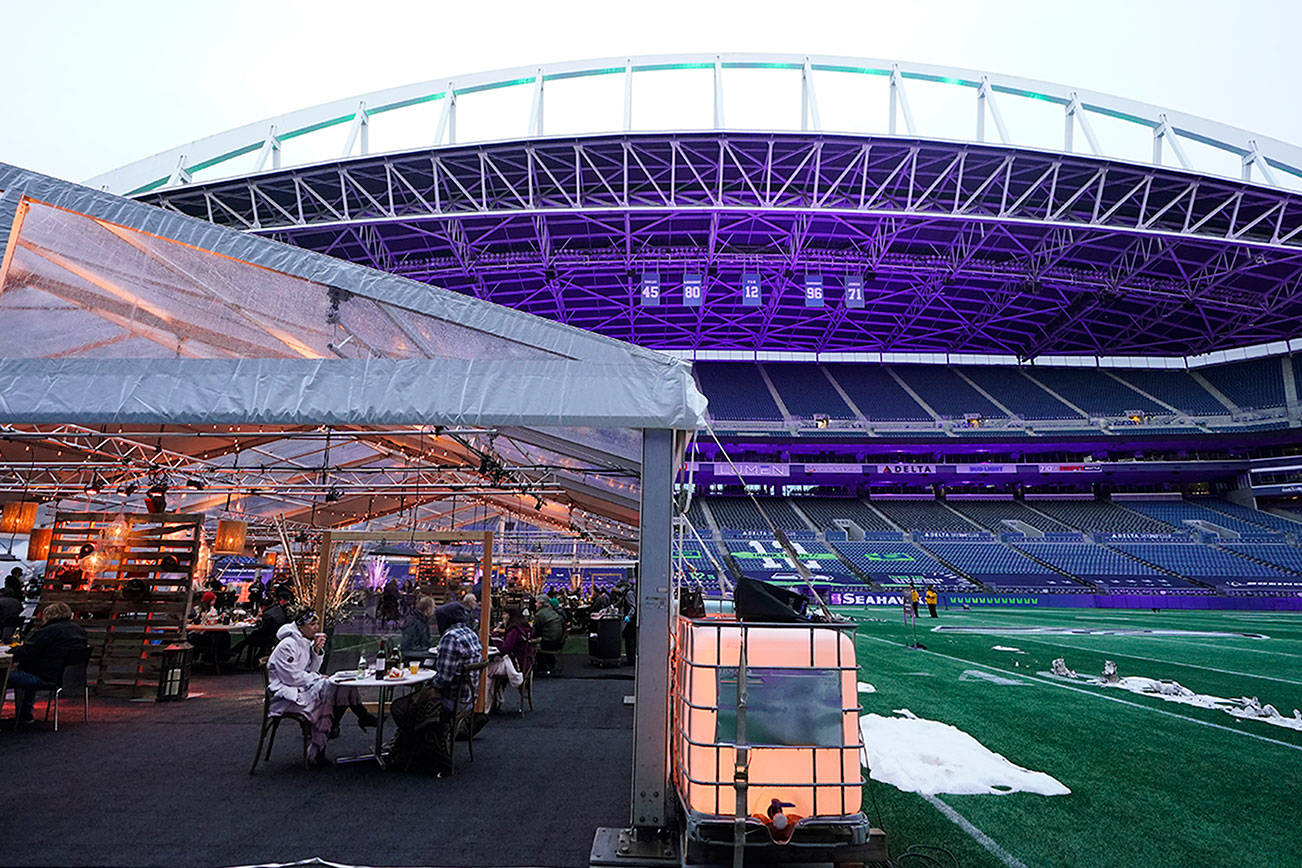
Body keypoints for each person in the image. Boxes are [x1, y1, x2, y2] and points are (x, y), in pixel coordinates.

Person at [267, 611, 376, 764]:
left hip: (301, 687)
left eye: (316, 624)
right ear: (300, 627)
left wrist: (316, 652)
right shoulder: (288, 644)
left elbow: (312, 670)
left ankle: (347, 723)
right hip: (287, 694)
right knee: (332, 693)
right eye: (312, 624)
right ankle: (357, 719)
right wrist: (317, 677)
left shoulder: (304, 641)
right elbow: (291, 677)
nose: (316, 628)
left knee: (343, 686)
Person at [7, 602, 88, 726]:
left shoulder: (48, 632)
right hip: (66, 678)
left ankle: (24, 714)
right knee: (26, 671)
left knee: (6, 677)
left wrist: (12, 651)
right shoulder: (79, 631)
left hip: (45, 676)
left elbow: (28, 651)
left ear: (48, 615)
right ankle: (24, 714)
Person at [431, 603, 482, 715]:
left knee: (407, 707)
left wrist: (429, 683)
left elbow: (444, 678)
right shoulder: (471, 633)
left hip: (453, 699)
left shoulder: (450, 637)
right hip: (470, 697)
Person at [533, 592, 566, 675]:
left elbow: (535, 630)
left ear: (541, 604)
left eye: (536, 602)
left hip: (549, 641)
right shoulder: (551, 611)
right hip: (557, 640)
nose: (535, 604)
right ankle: (550, 662)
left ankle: (542, 666)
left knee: (532, 645)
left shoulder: (540, 614)